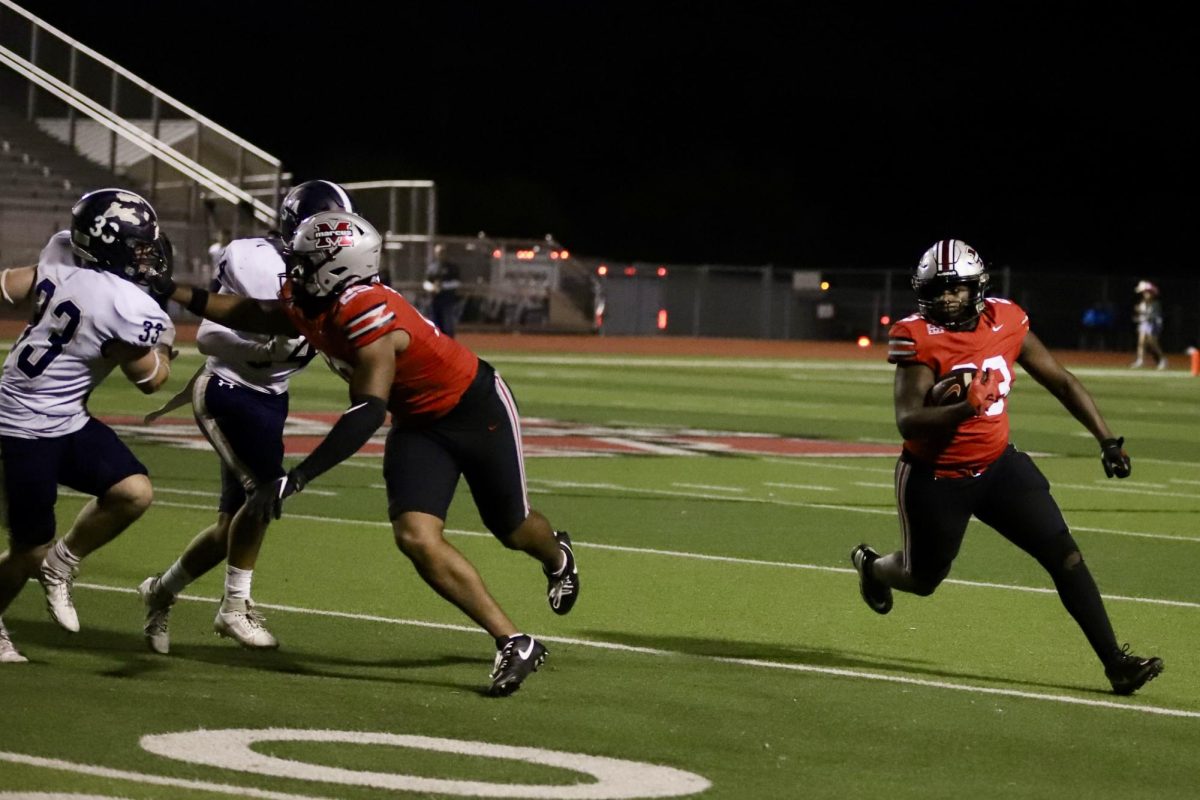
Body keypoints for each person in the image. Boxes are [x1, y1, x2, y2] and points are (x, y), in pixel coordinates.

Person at [151, 210, 578, 697]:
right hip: (418, 423)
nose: (293, 269)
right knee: (416, 536)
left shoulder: (368, 312)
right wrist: (174, 290)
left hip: (474, 410)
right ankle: (514, 642)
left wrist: (299, 476)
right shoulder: (313, 293)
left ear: (335, 267)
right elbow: (259, 314)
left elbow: (367, 412)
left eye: (305, 260)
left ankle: (556, 555)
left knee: (513, 527)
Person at [853, 239, 1163, 696]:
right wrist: (965, 409)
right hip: (936, 477)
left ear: (977, 286)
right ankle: (873, 567)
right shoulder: (916, 334)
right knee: (923, 579)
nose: (945, 299)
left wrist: (1106, 439)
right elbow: (908, 420)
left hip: (999, 467)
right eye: (937, 290)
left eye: (955, 288)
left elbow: (1060, 379)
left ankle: (1116, 662)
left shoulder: (1008, 319)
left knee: (1065, 555)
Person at [137, 180, 354, 654]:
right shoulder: (256, 260)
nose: (337, 240)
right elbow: (210, 338)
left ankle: (161, 591)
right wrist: (264, 345)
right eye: (328, 230)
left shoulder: (327, 268)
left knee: (228, 528)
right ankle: (234, 607)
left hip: (272, 396)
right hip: (228, 388)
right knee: (266, 491)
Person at [0, 188, 175, 663]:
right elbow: (151, 382)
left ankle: (63, 563)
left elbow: (11, 283)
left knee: (132, 491)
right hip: (23, 427)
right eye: (139, 246)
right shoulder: (123, 304)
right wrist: (165, 358)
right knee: (27, 549)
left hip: (64, 417)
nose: (149, 255)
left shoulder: (62, 254)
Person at [422, 244, 463, 337]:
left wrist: (443, 286)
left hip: (447, 301)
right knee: (435, 327)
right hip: (434, 301)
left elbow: (457, 282)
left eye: (442, 253)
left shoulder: (452, 267)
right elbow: (426, 283)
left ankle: (451, 348)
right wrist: (432, 287)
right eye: (438, 253)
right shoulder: (432, 267)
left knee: (448, 327)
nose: (440, 255)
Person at [1130, 280, 1166, 370]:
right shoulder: (1142, 303)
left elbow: (1153, 316)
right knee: (1141, 342)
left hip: (1153, 324)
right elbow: (1142, 315)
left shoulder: (1155, 304)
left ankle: (1162, 360)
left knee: (1152, 343)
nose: (1144, 295)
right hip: (1145, 324)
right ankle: (1140, 360)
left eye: (1146, 293)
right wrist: (1138, 318)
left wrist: (1141, 313)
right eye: (1144, 293)